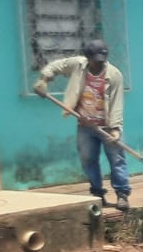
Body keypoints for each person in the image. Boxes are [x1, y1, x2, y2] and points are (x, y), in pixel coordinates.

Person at [34, 40, 130, 210]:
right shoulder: (78, 65)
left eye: (102, 60)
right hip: (85, 125)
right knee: (88, 159)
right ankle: (97, 194)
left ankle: (122, 194)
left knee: (117, 159)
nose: (100, 63)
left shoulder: (114, 75)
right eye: (96, 60)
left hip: (107, 126)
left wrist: (115, 129)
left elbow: (117, 103)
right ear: (88, 58)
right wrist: (43, 80)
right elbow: (56, 66)